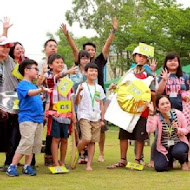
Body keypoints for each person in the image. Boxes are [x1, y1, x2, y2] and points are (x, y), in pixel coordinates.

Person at [61, 18, 118, 162]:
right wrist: (67, 35)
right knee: (82, 129)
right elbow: (74, 49)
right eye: (86, 51)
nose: (89, 53)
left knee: (101, 128)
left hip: (98, 97)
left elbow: (107, 45)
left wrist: (113, 31)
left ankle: (101, 153)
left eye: (92, 50)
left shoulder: (99, 61)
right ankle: (81, 155)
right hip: (81, 101)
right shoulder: (77, 66)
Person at [107, 45, 155, 169]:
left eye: (144, 57)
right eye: (139, 55)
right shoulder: (128, 73)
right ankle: (122, 160)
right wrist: (114, 86)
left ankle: (137, 160)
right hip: (126, 110)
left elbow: (153, 93)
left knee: (140, 137)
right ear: (135, 56)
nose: (141, 58)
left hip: (141, 110)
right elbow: (122, 87)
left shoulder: (150, 76)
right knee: (123, 135)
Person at [6, 59, 51, 177]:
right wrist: (41, 90)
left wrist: (40, 95)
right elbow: (30, 93)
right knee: (26, 142)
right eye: (35, 69)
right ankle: (12, 166)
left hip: (37, 118)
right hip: (27, 118)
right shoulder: (22, 85)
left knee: (34, 144)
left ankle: (27, 166)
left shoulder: (32, 85)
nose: (37, 71)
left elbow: (33, 94)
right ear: (26, 70)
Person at [148, 52, 190, 168]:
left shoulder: (185, 76)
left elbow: (187, 91)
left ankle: (183, 161)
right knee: (160, 136)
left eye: (175, 60)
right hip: (163, 112)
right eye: (170, 60)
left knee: (180, 135)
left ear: (179, 62)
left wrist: (186, 95)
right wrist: (164, 80)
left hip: (180, 112)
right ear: (166, 62)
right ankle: (158, 159)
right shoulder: (161, 75)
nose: (172, 62)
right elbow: (157, 93)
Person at [44, 54, 76, 166]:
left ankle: (62, 161)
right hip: (54, 113)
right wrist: (67, 72)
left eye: (62, 62)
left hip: (66, 114)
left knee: (65, 139)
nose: (60, 64)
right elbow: (55, 78)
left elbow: (71, 97)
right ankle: (55, 162)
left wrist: (73, 114)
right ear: (50, 65)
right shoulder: (49, 77)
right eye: (57, 62)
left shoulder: (67, 80)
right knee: (56, 138)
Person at [147, 95, 189, 172]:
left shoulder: (178, 114)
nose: (166, 106)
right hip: (164, 147)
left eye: (167, 103)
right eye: (162, 104)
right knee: (160, 168)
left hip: (179, 143)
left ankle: (184, 161)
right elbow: (150, 130)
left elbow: (186, 130)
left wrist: (177, 129)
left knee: (178, 152)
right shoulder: (157, 117)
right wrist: (150, 114)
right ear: (158, 108)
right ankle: (169, 161)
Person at [76, 62, 105, 171]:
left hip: (96, 116)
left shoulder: (99, 88)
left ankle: (89, 164)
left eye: (95, 71)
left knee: (93, 141)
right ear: (85, 72)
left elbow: (101, 103)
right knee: (87, 138)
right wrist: (78, 92)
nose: (93, 73)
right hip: (84, 115)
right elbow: (77, 102)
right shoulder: (82, 86)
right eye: (91, 71)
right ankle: (78, 151)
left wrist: (102, 118)